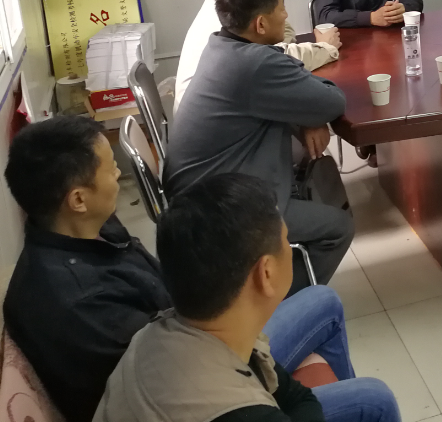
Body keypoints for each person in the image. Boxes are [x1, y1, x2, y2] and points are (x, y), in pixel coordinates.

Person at [2, 116, 376, 422]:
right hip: (184, 376)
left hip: (192, 341)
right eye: (110, 168)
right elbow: (168, 376)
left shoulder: (89, 231)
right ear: (78, 199)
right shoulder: (81, 303)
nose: (118, 174)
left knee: (323, 300)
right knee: (372, 399)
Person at [94, 173, 401, 422]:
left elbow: (296, 396)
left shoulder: (160, 332)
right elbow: (294, 401)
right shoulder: (242, 412)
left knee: (324, 301)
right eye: (285, 241)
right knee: (376, 400)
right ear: (265, 273)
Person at [165, 0, 353, 292]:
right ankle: (272, 304)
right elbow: (332, 101)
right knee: (338, 229)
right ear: (261, 24)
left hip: (204, 191)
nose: (286, 15)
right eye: (281, 8)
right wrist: (309, 109)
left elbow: (297, 93)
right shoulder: (254, 65)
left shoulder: (221, 45)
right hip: (218, 210)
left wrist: (306, 111)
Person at [175, 0, 342, 112]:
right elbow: (275, 63)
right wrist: (325, 48)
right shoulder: (232, 10)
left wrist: (280, 50)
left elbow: (279, 42)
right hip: (216, 112)